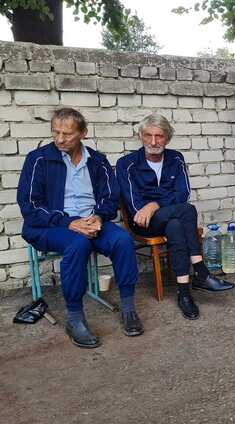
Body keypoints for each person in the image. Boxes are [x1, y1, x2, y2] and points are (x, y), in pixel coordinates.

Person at [17, 108, 143, 348]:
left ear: (83, 133)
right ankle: (75, 318)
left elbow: (110, 197)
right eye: (56, 132)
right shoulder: (39, 159)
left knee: (122, 241)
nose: (60, 139)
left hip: (91, 220)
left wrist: (98, 217)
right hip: (50, 225)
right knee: (78, 242)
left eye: (68, 134)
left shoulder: (97, 161)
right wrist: (69, 222)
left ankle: (128, 309)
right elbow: (29, 204)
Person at [116, 114, 234, 321]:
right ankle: (201, 272)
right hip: (144, 224)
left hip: (169, 218)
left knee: (176, 224)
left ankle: (184, 294)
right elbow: (136, 206)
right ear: (141, 137)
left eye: (159, 136)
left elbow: (182, 193)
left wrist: (154, 204)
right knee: (186, 210)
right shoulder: (126, 163)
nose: (153, 142)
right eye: (148, 136)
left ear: (167, 138)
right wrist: (157, 205)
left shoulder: (176, 158)